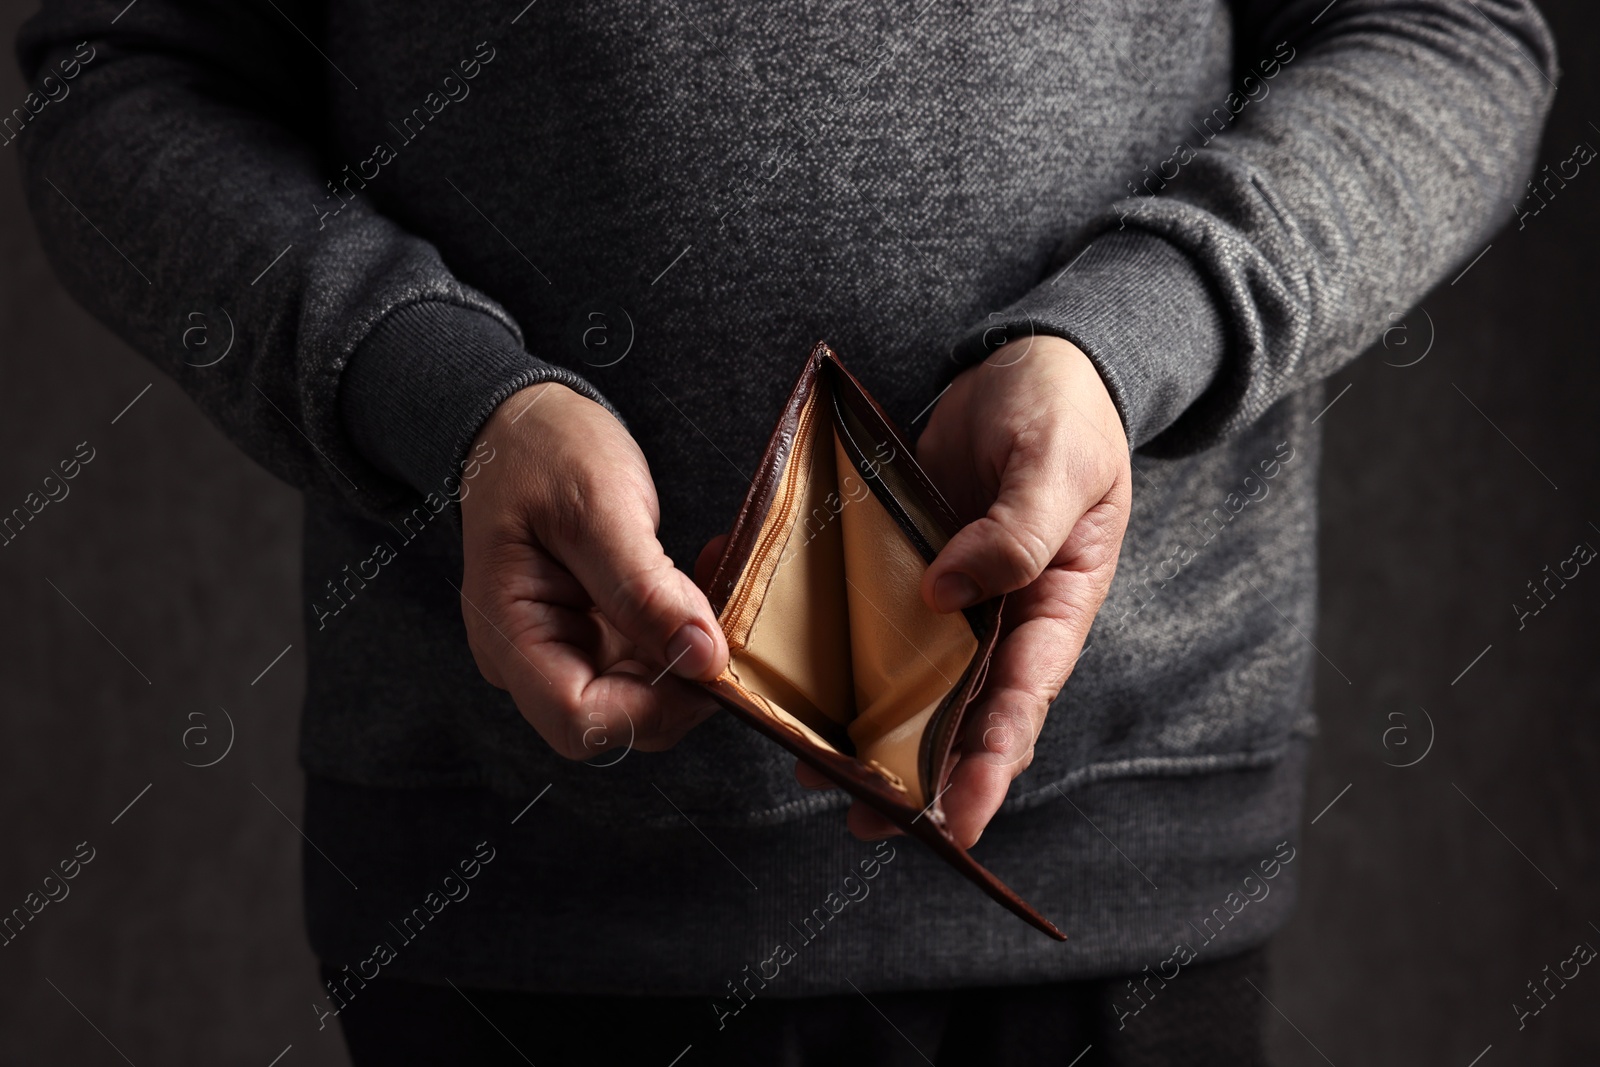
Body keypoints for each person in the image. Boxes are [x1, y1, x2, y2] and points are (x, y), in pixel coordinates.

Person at [16, 0, 1554, 1063]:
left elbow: (1450, 30)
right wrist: (444, 396)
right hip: (519, 892)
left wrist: (1132, 332)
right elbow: (121, 76)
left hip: (1112, 861)